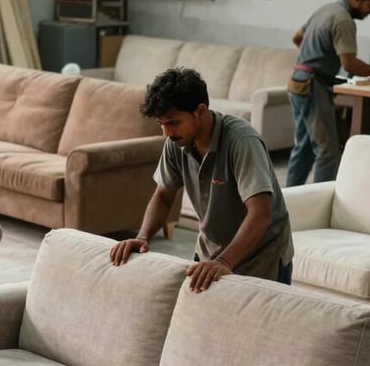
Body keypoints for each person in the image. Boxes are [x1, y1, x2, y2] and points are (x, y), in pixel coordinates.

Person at [110, 67, 293, 293]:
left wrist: (224, 262)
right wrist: (142, 236)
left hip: (261, 259)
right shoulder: (176, 142)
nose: (166, 132)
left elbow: (260, 214)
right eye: (161, 124)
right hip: (210, 254)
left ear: (200, 110)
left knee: (258, 328)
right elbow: (163, 196)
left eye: (174, 122)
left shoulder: (242, 141)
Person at [286, 0, 370, 186]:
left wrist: (313, 58)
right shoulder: (343, 20)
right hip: (313, 86)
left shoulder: (326, 9)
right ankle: (321, 204)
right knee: (328, 152)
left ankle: (289, 198)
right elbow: (349, 64)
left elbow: (297, 37)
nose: (369, 12)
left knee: (304, 146)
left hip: (297, 81)